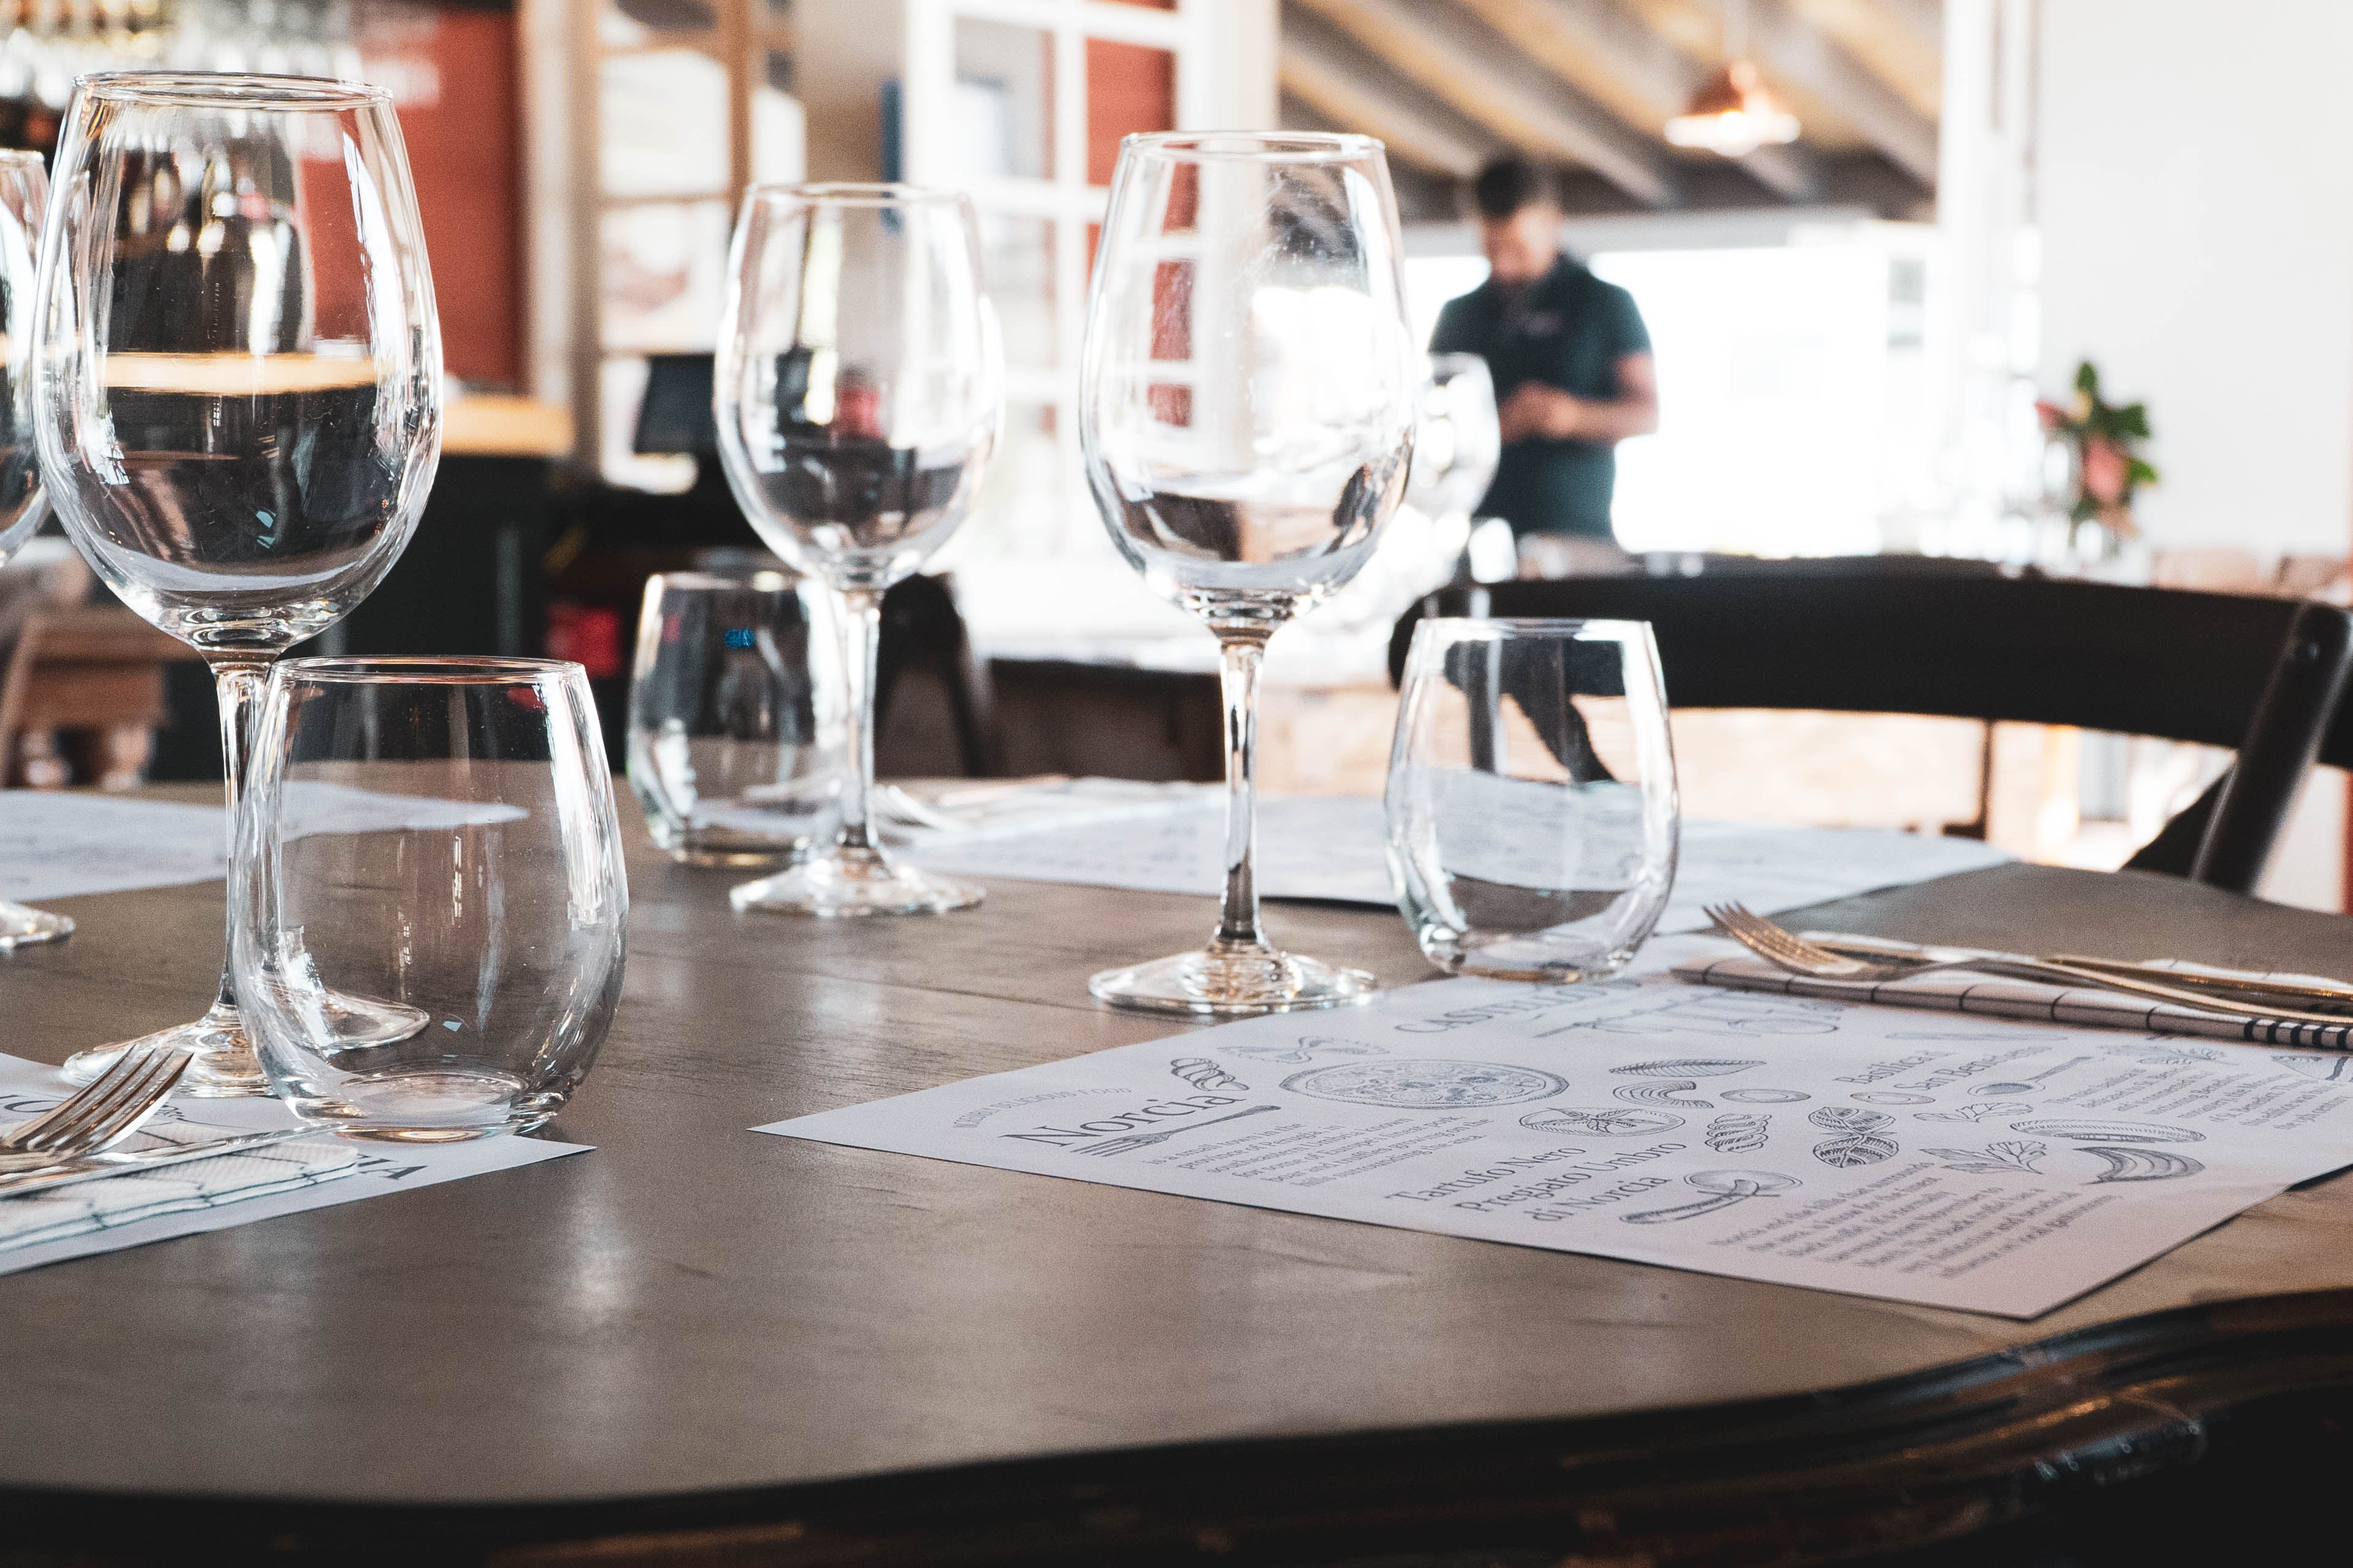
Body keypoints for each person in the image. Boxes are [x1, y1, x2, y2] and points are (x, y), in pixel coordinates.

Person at [1431, 158, 1659, 546]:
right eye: (1491, 248)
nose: (1502, 264)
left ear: (1552, 223)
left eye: (1516, 248)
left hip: (1578, 536)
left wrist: (1569, 417)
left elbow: (1647, 414)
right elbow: (1430, 418)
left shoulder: (1605, 303)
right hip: (1478, 535)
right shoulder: (1459, 314)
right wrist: (1494, 426)